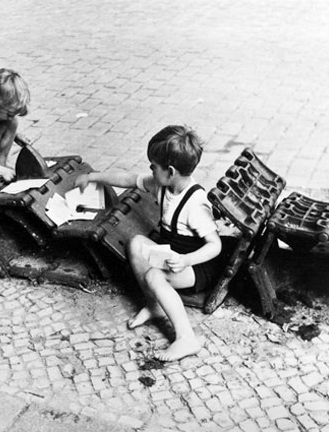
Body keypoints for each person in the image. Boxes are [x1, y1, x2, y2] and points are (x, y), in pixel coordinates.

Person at [75, 125, 224, 361]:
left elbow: (215, 246)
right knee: (135, 243)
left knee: (154, 276)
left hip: (196, 266)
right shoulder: (161, 184)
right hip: (172, 254)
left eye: (153, 166)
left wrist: (186, 260)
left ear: (170, 171)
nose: (150, 169)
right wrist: (94, 176)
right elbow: (128, 178)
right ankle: (154, 304)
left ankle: (187, 338)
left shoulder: (196, 204)